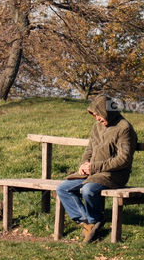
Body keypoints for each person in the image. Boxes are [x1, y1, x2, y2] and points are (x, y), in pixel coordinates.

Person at [56, 94, 137, 243]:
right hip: (93, 173)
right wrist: (84, 164)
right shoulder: (97, 127)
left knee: (88, 190)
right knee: (63, 188)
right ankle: (88, 224)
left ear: (107, 112)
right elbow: (89, 149)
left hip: (113, 175)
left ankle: (95, 219)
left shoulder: (124, 128)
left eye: (99, 114)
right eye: (95, 115)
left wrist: (94, 167)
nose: (97, 118)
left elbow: (123, 160)